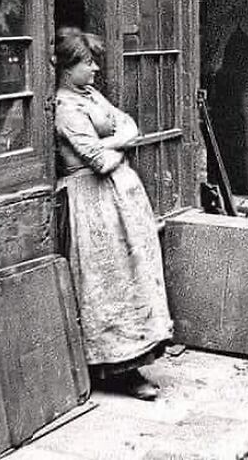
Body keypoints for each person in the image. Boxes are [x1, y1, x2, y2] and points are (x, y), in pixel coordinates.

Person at [54, 27, 172, 401]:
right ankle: (115, 370)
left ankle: (134, 361)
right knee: (107, 282)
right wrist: (117, 145)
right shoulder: (65, 108)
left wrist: (115, 141)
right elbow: (99, 162)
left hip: (118, 202)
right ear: (67, 67)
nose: (95, 70)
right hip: (92, 204)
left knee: (132, 276)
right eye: (87, 64)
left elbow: (130, 125)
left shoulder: (90, 95)